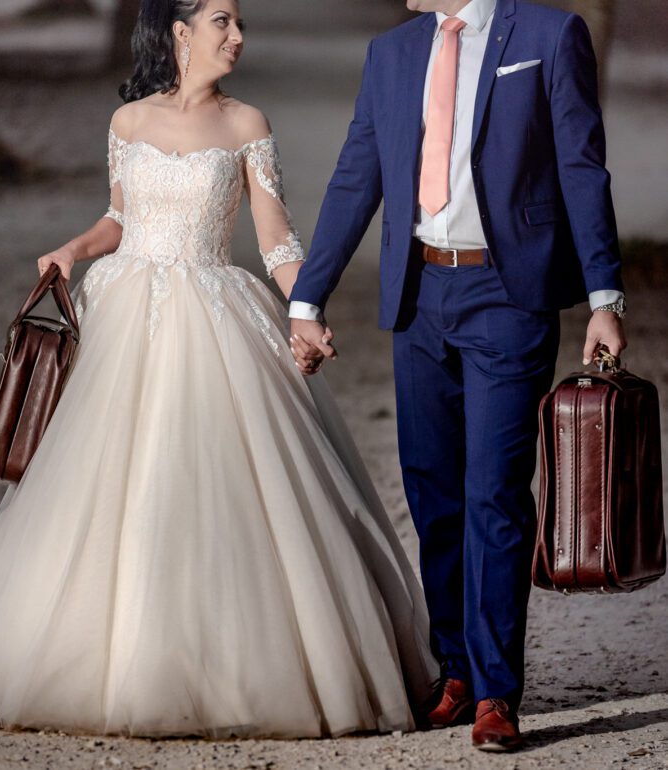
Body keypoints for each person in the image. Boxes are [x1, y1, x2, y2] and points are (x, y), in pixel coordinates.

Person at [0, 0, 439, 740]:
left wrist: (304, 309)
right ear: (180, 34)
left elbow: (277, 241)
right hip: (127, 307)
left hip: (216, 311)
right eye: (222, 21)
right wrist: (74, 249)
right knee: (100, 489)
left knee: (214, 484)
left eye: (240, 22)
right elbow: (120, 216)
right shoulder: (129, 124)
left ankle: (221, 662)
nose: (238, 36)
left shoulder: (248, 124)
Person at [288, 0, 626, 753]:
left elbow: (580, 162)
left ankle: (498, 691)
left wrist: (605, 298)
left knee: (494, 491)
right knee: (432, 489)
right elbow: (357, 175)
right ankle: (457, 671)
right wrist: (308, 295)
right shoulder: (392, 53)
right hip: (420, 297)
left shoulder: (547, 35)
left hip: (509, 294)